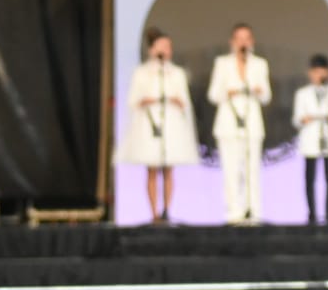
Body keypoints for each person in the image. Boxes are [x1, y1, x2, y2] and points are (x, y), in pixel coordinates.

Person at [115, 28, 200, 225]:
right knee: (152, 169)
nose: (166, 50)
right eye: (162, 46)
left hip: (171, 123)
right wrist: (150, 99)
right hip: (150, 123)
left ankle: (167, 209)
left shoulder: (176, 73)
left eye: (168, 47)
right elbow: (133, 100)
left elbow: (185, 102)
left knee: (169, 169)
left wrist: (175, 100)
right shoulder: (142, 73)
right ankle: (153, 212)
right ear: (152, 49)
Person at [207, 23, 273, 225]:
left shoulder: (260, 64)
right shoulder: (222, 63)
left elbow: (267, 96)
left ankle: (254, 211)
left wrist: (258, 90)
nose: (243, 42)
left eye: (247, 38)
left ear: (252, 41)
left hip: (252, 123)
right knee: (231, 170)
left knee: (252, 169)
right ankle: (233, 212)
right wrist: (229, 91)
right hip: (229, 123)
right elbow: (213, 95)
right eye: (239, 38)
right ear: (232, 41)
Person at [292, 54, 328, 225]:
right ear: (310, 73)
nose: (319, 75)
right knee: (310, 179)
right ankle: (312, 213)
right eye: (315, 71)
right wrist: (305, 119)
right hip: (311, 140)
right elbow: (296, 118)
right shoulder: (302, 94)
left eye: (322, 71)